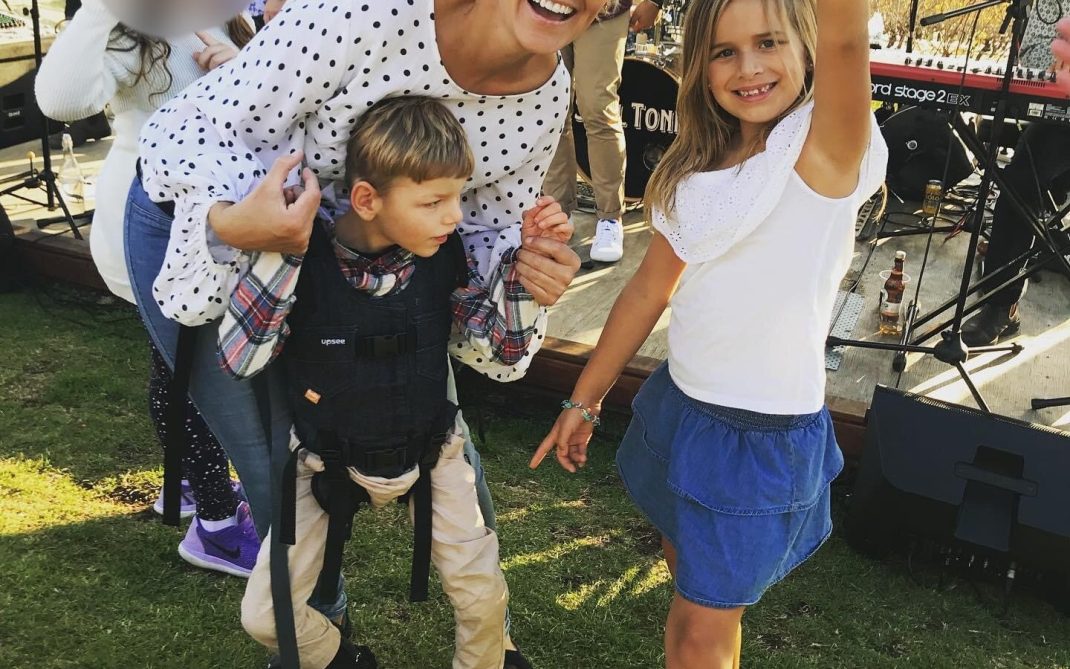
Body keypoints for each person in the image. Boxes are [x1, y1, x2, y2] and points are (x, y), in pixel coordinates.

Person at [126, 0, 602, 665]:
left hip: (390, 262)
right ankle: (328, 644)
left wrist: (526, 273)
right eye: (440, 200)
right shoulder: (365, 11)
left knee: (434, 421)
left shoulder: (544, 97)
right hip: (220, 221)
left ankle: (491, 642)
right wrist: (235, 228)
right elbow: (189, 131)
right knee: (274, 463)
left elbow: (486, 238)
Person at [531, 0, 887, 666]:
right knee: (687, 578)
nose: (747, 67)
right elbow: (647, 290)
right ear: (700, 64)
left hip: (761, 437)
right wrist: (586, 396)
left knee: (701, 629)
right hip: (684, 406)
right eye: (725, 51)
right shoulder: (699, 167)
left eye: (768, 43)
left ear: (806, 47)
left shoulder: (824, 152)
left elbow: (846, 40)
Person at [236, 94, 568, 669]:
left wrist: (525, 273)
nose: (455, 216)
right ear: (367, 199)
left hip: (431, 450)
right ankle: (341, 660)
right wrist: (282, 254)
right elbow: (242, 359)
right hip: (320, 459)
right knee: (265, 616)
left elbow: (504, 349)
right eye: (434, 201)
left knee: (484, 598)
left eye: (458, 196)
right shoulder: (301, 257)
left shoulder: (444, 255)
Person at [34, 0, 260, 577]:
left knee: (183, 364)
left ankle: (187, 481)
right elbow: (60, 101)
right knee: (186, 372)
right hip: (151, 229)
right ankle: (214, 524)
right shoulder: (128, 27)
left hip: (211, 224)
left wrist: (238, 66)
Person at [961, 0, 1070, 347]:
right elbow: (1035, 55)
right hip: (1059, 112)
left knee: (1025, 184)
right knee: (1020, 185)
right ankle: (1002, 306)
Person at [543, 1, 631, 263]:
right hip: (549, 8)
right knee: (553, 109)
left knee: (598, 107)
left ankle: (610, 217)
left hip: (604, 9)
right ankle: (558, 212)